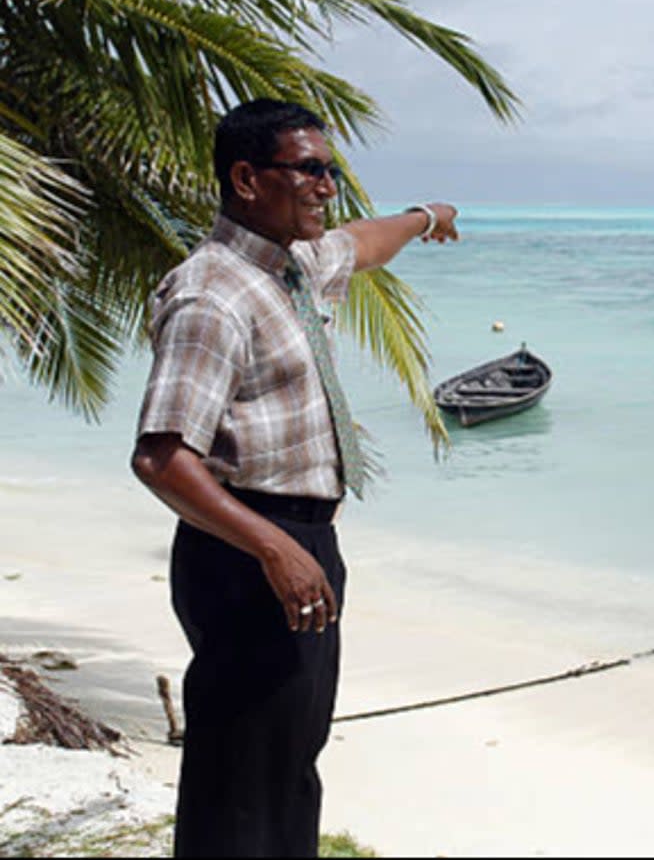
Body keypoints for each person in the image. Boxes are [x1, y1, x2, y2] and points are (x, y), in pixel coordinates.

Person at [130, 98, 457, 858]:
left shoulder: (296, 268)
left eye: (331, 170)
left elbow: (362, 244)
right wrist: (272, 548)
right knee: (238, 780)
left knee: (286, 765)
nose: (327, 185)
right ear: (246, 178)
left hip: (303, 543)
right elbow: (161, 456)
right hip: (245, 549)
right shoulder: (213, 293)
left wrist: (424, 215)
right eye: (310, 169)